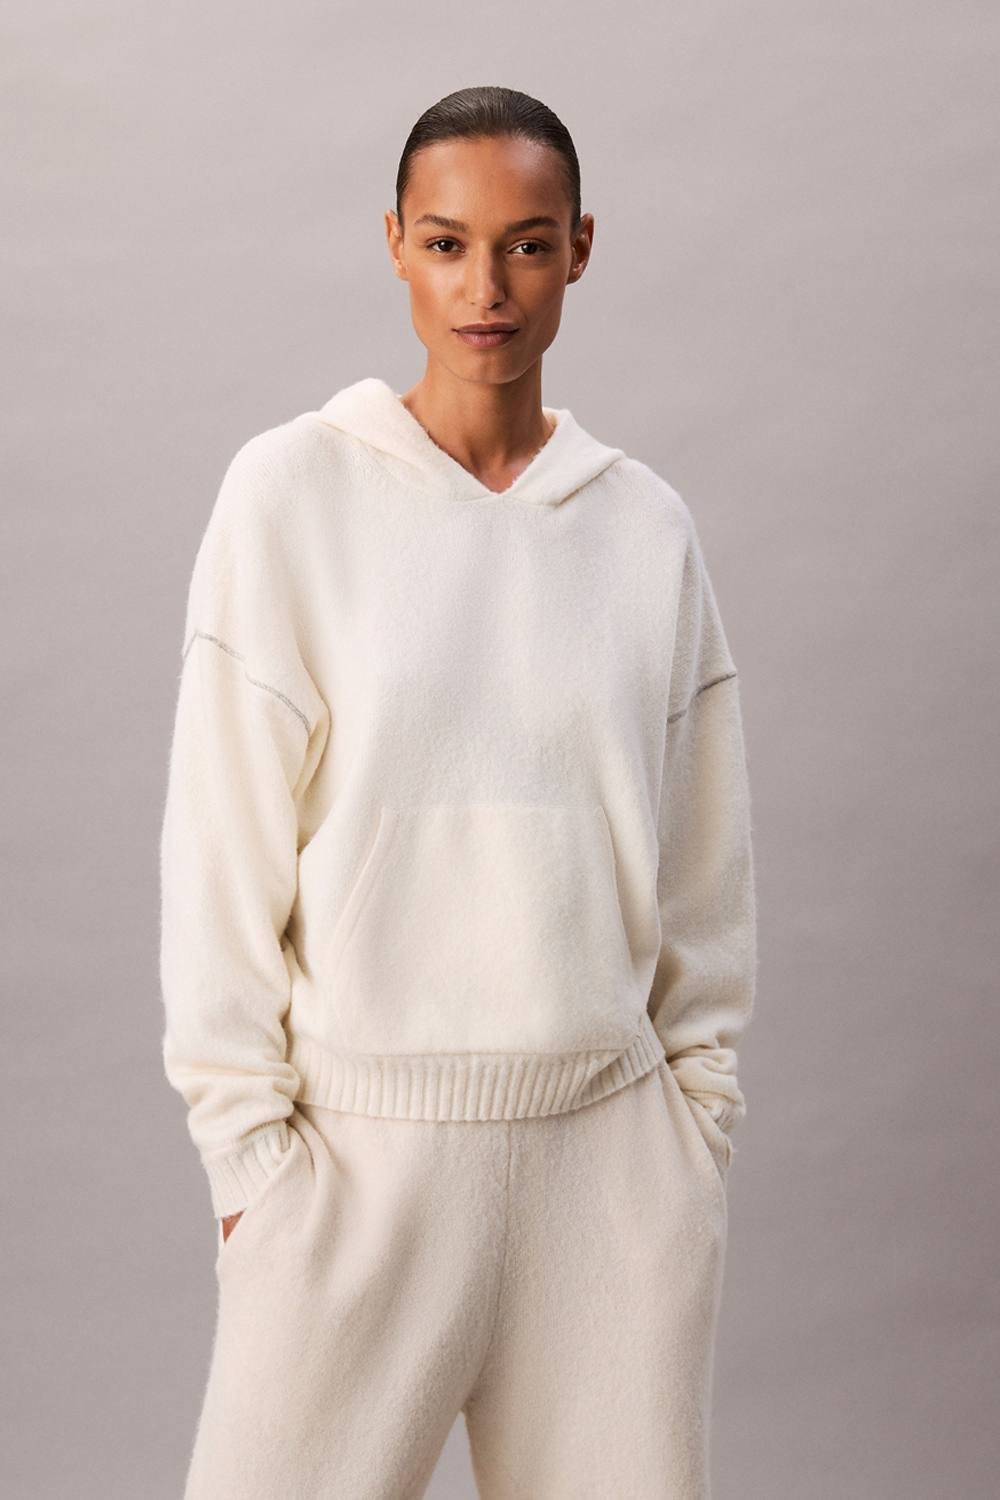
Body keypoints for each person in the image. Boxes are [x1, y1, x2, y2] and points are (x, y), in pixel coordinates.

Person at [158, 84, 758, 1500]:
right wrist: (251, 1169)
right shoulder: (290, 498)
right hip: (353, 1177)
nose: (486, 288)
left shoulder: (644, 530)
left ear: (580, 249)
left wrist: (693, 1137)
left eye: (528, 245)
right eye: (446, 244)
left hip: (609, 1183)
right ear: (395, 245)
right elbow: (220, 850)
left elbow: (703, 864)